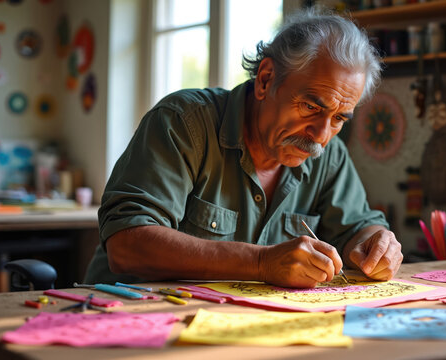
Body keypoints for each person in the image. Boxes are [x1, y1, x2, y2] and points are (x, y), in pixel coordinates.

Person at [84, 8, 403, 288]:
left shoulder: (328, 156)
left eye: (338, 119)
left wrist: (375, 243)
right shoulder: (183, 122)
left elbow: (358, 228)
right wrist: (262, 264)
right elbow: (127, 244)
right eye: (310, 107)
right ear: (265, 79)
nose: (321, 135)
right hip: (124, 317)